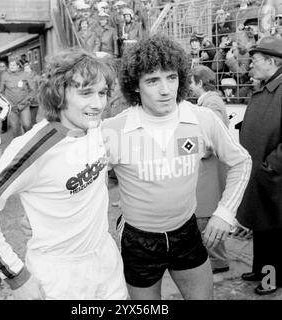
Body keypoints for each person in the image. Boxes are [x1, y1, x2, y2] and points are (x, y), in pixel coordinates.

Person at [0, 49, 127, 300]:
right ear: (59, 94)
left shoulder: (96, 129)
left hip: (106, 261)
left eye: (102, 92)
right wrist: (17, 277)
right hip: (59, 277)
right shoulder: (33, 147)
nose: (97, 104)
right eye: (85, 93)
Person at [102, 35, 251, 300]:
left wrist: (225, 213)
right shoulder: (113, 130)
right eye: (152, 80)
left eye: (171, 77)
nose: (165, 90)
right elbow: (87, 182)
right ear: (135, 86)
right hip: (138, 240)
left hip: (187, 233)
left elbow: (241, 160)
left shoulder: (202, 118)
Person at [236, 36, 282, 295]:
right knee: (261, 228)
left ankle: (270, 280)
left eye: (254, 61)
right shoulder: (268, 86)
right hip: (262, 175)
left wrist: (269, 166)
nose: (250, 66)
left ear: (271, 61)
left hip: (273, 177)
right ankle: (259, 269)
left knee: (274, 235)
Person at [190, 65, 230, 274]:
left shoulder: (211, 103)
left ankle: (218, 261)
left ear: (199, 82)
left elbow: (214, 136)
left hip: (210, 169)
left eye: (191, 81)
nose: (189, 85)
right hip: (208, 170)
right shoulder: (208, 101)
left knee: (206, 215)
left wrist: (200, 151)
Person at [0, 58, 33, 137]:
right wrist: (8, 104)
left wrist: (26, 101)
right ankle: (18, 146)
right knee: (15, 128)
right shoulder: (5, 75)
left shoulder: (25, 74)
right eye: (10, 65)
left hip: (24, 105)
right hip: (11, 107)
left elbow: (32, 90)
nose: (12, 66)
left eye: (14, 65)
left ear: (18, 66)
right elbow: (1, 92)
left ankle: (29, 141)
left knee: (27, 125)